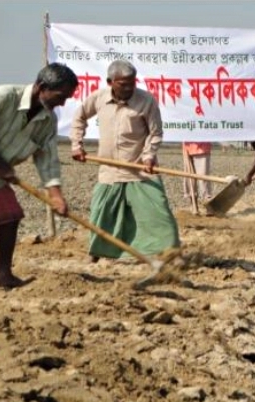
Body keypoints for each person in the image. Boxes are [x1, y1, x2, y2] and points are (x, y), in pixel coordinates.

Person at [0, 63, 79, 296]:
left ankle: (3, 274)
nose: (63, 103)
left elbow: (47, 158)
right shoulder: (0, 97)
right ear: (41, 87)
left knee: (11, 216)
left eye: (67, 98)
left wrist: (56, 195)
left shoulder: (47, 121)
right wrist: (0, 163)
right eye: (61, 96)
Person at [70, 60, 180, 262]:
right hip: (109, 170)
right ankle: (98, 252)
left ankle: (170, 253)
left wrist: (149, 155)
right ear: (110, 82)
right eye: (123, 84)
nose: (129, 88)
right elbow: (79, 117)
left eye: (132, 83)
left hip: (138, 168)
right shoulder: (99, 98)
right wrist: (77, 145)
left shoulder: (146, 101)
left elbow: (155, 132)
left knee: (159, 213)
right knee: (101, 213)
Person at [181, 141, 213, 213]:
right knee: (189, 177)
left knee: (203, 177)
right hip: (187, 146)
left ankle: (207, 205)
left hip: (202, 146)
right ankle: (193, 204)